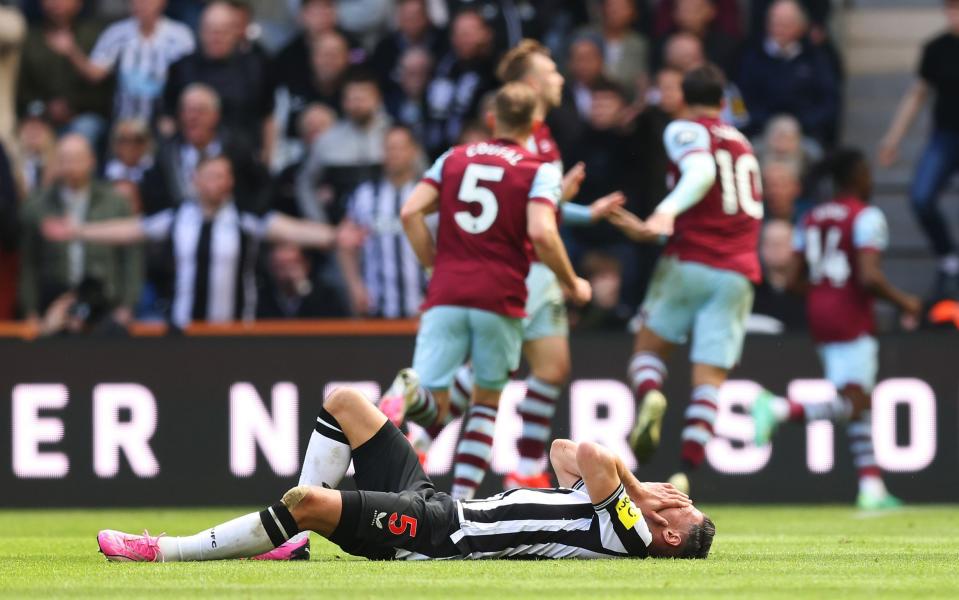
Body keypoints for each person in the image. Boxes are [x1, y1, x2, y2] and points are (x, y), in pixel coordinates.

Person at [381, 41, 624, 498]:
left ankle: (503, 457)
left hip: (457, 283)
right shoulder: (535, 152)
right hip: (516, 275)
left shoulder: (459, 155)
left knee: (549, 366)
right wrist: (573, 279)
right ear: (530, 93)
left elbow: (413, 211)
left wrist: (580, 210)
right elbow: (536, 219)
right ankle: (457, 474)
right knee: (489, 389)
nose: (560, 78)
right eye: (551, 71)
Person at [96, 387, 712, 563]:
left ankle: (166, 551)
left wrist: (635, 488)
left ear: (675, 535)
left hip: (439, 538)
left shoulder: (629, 535)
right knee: (345, 404)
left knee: (308, 499)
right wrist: (629, 485)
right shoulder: (605, 508)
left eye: (684, 506)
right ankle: (291, 544)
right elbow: (561, 450)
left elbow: (600, 456)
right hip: (439, 506)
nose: (675, 496)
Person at [608, 65, 763, 495]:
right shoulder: (743, 141)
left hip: (691, 258)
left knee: (649, 346)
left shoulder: (686, 130)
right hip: (738, 270)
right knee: (710, 380)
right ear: (724, 99)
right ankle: (685, 472)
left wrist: (666, 211)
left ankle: (652, 393)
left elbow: (701, 174)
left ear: (684, 98)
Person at [752, 149, 923, 510]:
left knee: (856, 401)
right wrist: (905, 301)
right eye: (866, 173)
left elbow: (795, 278)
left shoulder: (810, 217)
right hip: (850, 317)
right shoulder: (866, 216)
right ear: (856, 176)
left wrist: (823, 295)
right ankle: (780, 408)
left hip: (821, 313)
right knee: (855, 401)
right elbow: (868, 276)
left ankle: (872, 487)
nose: (871, 180)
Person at [43, 155, 340, 329]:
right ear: (195, 180)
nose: (214, 183)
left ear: (230, 183)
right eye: (208, 176)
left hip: (235, 332)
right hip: (184, 330)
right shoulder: (176, 218)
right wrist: (78, 231)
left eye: (221, 176)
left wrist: (335, 236)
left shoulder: (244, 218)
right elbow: (131, 230)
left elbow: (291, 230)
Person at [878, 0, 959, 300]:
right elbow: (917, 95)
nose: (954, 15)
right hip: (945, 136)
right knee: (921, 196)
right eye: (950, 9)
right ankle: (948, 258)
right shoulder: (936, 48)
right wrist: (893, 139)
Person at [19, 134, 142, 326]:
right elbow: (28, 263)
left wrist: (127, 305)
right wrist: (30, 310)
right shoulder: (37, 205)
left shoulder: (115, 202)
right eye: (65, 159)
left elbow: (131, 257)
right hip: (53, 302)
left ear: (91, 161)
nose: (71, 166)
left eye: (77, 159)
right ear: (57, 163)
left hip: (105, 300)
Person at [53, 0, 195, 123]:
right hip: (124, 121)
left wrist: (172, 117)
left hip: (165, 119)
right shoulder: (116, 33)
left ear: (162, 2)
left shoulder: (180, 36)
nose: (141, 4)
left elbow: (190, 79)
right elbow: (95, 74)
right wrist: (72, 52)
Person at [338, 126, 427, 318]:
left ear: (414, 151)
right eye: (388, 148)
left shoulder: (431, 197)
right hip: (376, 310)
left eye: (399, 147)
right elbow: (345, 243)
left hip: (422, 309)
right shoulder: (365, 196)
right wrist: (355, 286)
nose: (393, 154)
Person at [140, 84, 269, 215]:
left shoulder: (238, 149)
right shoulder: (166, 154)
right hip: (178, 226)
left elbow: (261, 187)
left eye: (200, 111)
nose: (192, 117)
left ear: (216, 115)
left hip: (231, 223)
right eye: (187, 110)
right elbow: (153, 200)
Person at [162, 1, 273, 152]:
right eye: (211, 31)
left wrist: (266, 157)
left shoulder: (255, 67)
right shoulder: (181, 67)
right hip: (190, 154)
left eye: (222, 31)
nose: (216, 37)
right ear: (200, 31)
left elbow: (267, 117)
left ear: (235, 32)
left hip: (241, 156)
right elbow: (167, 119)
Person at [737, 0, 839, 145]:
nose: (780, 29)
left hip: (805, 136)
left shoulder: (816, 58)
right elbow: (738, 100)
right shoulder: (751, 57)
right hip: (760, 135)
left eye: (786, 24)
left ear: (801, 26)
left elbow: (829, 102)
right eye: (776, 23)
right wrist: (764, 124)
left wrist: (802, 125)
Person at [296, 71, 392, 224]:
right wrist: (320, 223)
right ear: (343, 102)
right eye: (352, 98)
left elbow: (422, 178)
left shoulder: (396, 136)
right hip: (342, 232)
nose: (358, 104)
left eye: (363, 98)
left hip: (389, 227)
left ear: (378, 99)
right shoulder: (326, 141)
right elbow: (305, 184)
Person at [17, 0, 111, 144]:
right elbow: (23, 90)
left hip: (84, 115)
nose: (55, 3)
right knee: (27, 135)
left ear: (79, 3)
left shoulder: (95, 35)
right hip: (41, 116)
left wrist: (73, 53)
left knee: (84, 129)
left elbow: (103, 88)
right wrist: (44, 109)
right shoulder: (30, 39)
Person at [422, 9, 498, 158]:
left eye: (468, 33)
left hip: (480, 147)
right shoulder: (444, 67)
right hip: (438, 149)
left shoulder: (495, 70)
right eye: (458, 34)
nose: (463, 39)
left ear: (486, 34)